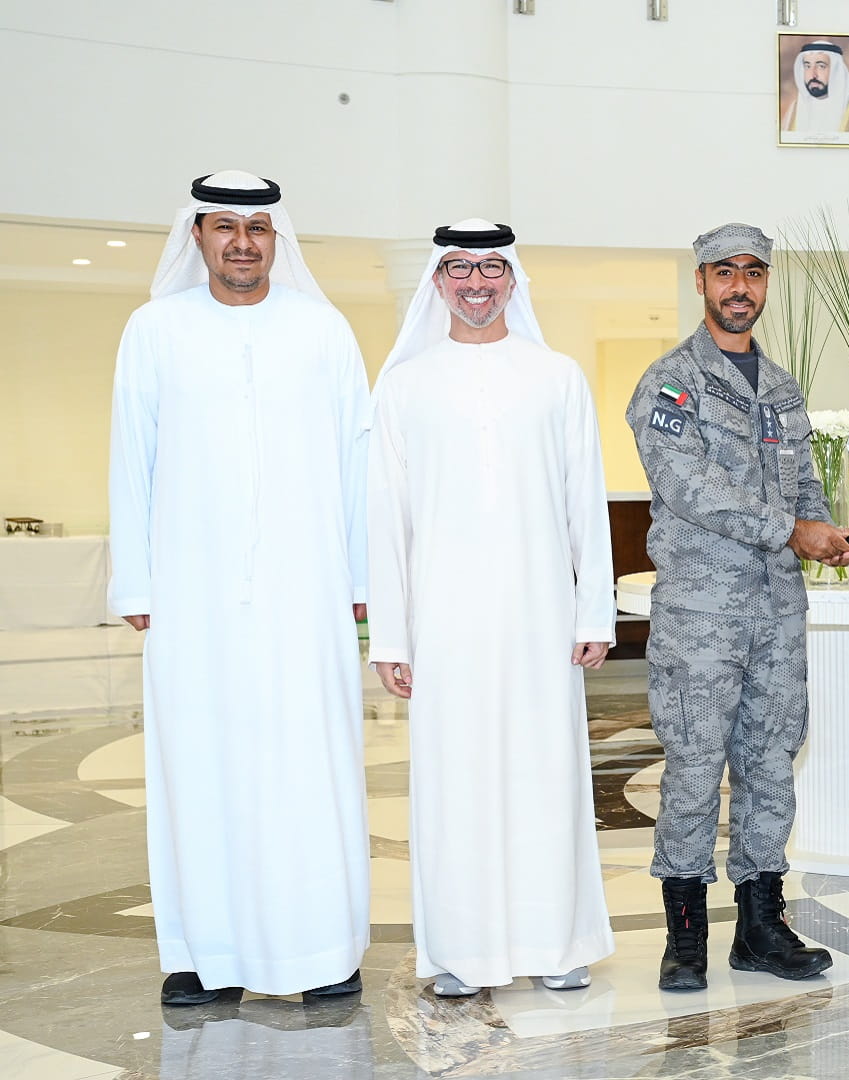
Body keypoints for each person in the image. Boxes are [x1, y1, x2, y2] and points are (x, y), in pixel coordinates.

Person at [108, 170, 370, 1005]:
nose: (243, 243)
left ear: (276, 238)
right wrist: (137, 578)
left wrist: (362, 582)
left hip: (308, 593)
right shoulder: (154, 329)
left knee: (308, 763)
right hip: (193, 596)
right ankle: (203, 954)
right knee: (200, 763)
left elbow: (358, 463)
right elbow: (130, 458)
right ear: (198, 236)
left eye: (257, 228)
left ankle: (323, 950)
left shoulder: (322, 329)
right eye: (225, 227)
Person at [366, 220, 615, 997]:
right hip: (443, 624)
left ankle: (556, 942)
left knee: (547, 776)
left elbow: (586, 505)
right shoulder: (405, 383)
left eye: (491, 270)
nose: (476, 284)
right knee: (455, 781)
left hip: (541, 616)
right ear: (436, 282)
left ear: (513, 280)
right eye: (459, 270)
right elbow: (388, 517)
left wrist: (593, 615)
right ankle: (460, 952)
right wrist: (391, 636)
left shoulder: (557, 375)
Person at [627, 223, 849, 992]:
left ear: (765, 284)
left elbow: (806, 491)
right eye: (724, 272)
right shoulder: (671, 384)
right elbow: (689, 487)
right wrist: (792, 530)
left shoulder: (784, 389)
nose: (739, 287)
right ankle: (685, 933)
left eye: (753, 274)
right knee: (694, 765)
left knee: (770, 765)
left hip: (776, 612)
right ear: (700, 282)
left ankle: (761, 924)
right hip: (702, 611)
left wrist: (837, 537)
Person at [782, 40, 849, 135]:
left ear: (836, 71)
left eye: (821, 66)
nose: (812, 75)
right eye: (807, 66)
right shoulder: (794, 110)